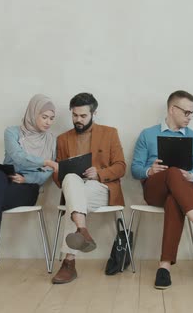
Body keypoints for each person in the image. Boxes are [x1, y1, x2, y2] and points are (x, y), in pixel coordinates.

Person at [131, 90, 193, 289]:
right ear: (172, 110)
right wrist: (150, 170)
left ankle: (164, 267)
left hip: (183, 193)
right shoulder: (148, 134)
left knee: (175, 199)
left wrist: (191, 176)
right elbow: (135, 169)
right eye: (187, 112)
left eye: (192, 113)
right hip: (155, 189)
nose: (190, 117)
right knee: (172, 171)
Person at [0, 94, 58, 279]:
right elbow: (17, 157)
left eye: (51, 118)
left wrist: (27, 179)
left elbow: (46, 174)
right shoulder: (12, 132)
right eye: (44, 117)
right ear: (32, 113)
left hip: (27, 188)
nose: (48, 122)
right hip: (5, 181)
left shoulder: (51, 139)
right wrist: (46, 161)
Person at [50, 93, 126, 284]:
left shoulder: (110, 133)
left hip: (100, 188)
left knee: (73, 201)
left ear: (94, 113)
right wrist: (59, 171)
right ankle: (82, 230)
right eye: (75, 115)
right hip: (75, 187)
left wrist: (99, 173)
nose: (78, 120)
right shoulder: (62, 139)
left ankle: (69, 264)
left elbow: (121, 166)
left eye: (83, 116)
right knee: (70, 179)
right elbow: (58, 176)